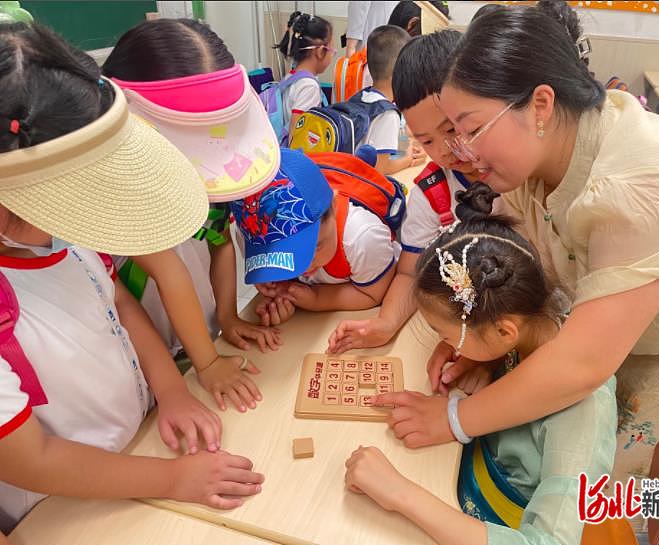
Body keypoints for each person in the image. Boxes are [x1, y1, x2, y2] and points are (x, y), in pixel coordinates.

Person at [378, 0, 659, 529]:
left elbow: (583, 365)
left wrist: (453, 419)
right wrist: (479, 339)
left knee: (621, 488)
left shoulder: (645, 184)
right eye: (444, 134)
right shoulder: (535, 159)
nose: (459, 153)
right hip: (615, 320)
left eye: (468, 128)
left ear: (540, 104)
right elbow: (531, 273)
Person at [0, 22, 263, 532]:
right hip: (59, 506)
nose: (84, 206)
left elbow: (116, 301)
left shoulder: (65, 230)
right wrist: (170, 480)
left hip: (138, 447)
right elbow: (28, 458)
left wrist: (172, 391)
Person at [346, 185, 616, 545]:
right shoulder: (538, 324)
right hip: (468, 481)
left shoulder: (583, 414)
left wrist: (400, 494)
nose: (446, 347)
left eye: (445, 334)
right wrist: (485, 361)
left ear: (503, 330)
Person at [102, 18, 283, 413]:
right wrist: (209, 362)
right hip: (144, 355)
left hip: (200, 337)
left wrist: (227, 316)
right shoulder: (118, 187)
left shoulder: (211, 168)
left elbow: (219, 243)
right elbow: (170, 273)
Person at [328, 30, 484, 355]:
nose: (444, 150)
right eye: (426, 141)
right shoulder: (431, 192)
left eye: (452, 129)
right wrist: (386, 323)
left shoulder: (515, 175)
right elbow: (411, 271)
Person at [230, 149, 400, 326]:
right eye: (281, 256)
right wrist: (277, 289)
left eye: (314, 247)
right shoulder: (250, 235)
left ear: (333, 206)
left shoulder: (363, 238)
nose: (302, 265)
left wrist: (317, 300)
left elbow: (374, 293)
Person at [354, 25, 421, 175]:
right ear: (401, 71)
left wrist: (408, 146)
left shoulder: (363, 96)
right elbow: (381, 168)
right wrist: (409, 159)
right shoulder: (388, 114)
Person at [273, 12, 334, 139]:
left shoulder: (291, 76)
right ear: (320, 51)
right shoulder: (309, 87)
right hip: (297, 155)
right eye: (332, 49)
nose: (333, 54)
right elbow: (297, 136)